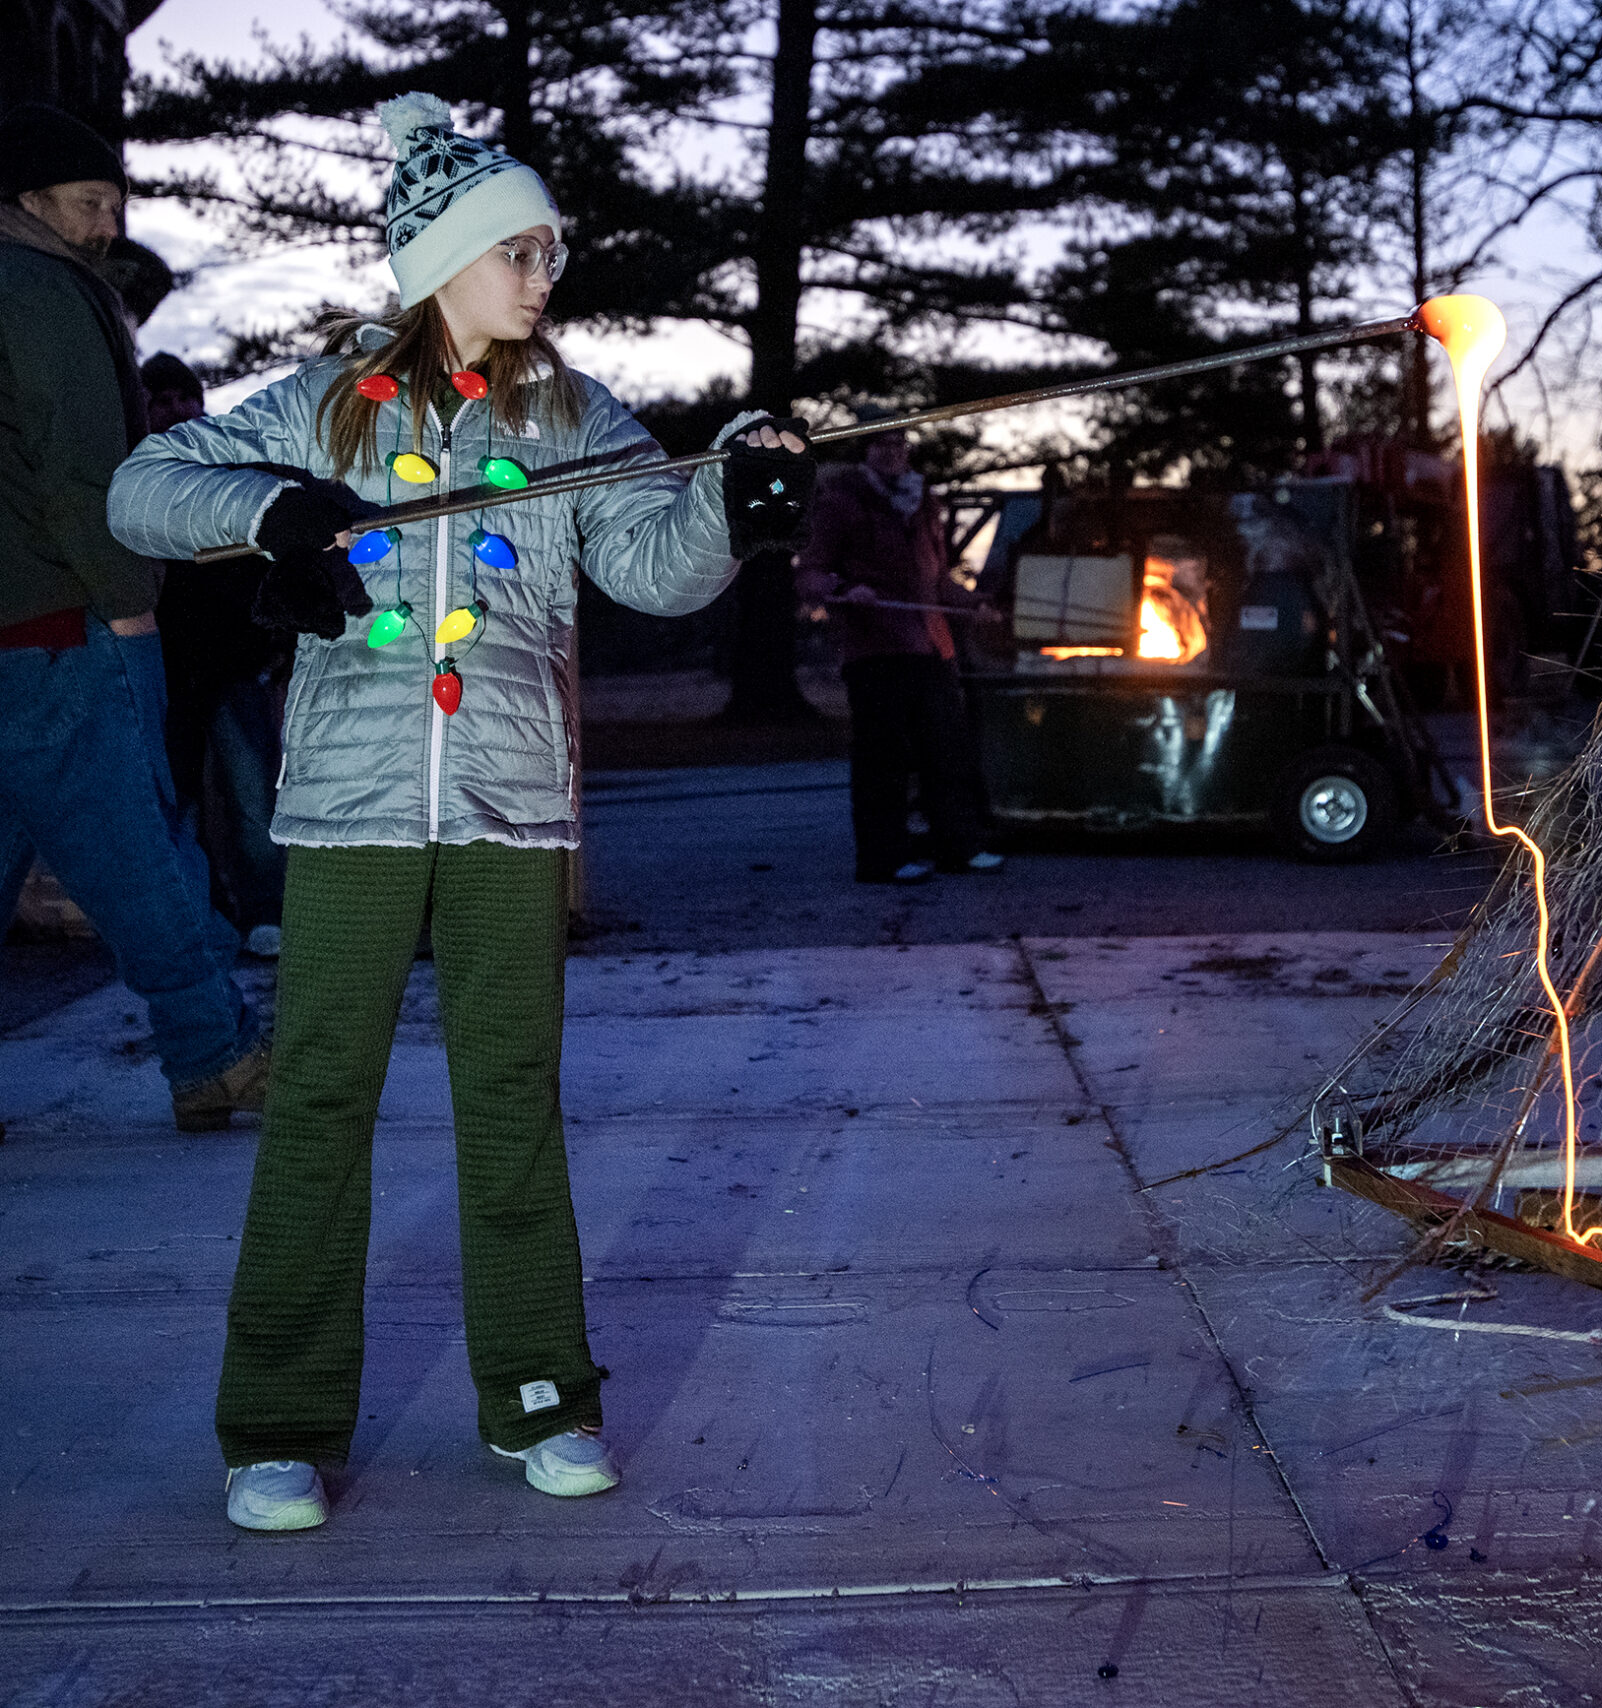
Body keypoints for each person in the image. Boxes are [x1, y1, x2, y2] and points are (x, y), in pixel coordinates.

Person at [107, 92, 812, 1534]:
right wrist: (274, 515)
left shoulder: (571, 416)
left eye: (551, 252)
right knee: (317, 1105)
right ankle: (277, 1426)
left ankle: (544, 1398)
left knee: (510, 1107)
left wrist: (734, 506)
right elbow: (142, 486)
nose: (544, 275)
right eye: (520, 250)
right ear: (438, 257)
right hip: (350, 816)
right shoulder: (317, 404)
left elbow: (653, 565)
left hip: (507, 813)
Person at [0, 100, 269, 1131]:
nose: (108, 222)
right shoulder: (38, 287)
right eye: (87, 202)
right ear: (28, 203)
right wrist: (125, 603)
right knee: (137, 845)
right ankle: (215, 1050)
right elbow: (83, 470)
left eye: (115, 201)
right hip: (58, 621)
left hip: (11, 623)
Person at [795, 425, 1001, 884]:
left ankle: (959, 849)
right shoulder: (839, 502)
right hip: (876, 652)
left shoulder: (923, 502)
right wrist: (848, 590)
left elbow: (939, 580)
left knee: (946, 753)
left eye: (899, 445)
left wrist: (973, 604)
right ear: (865, 452)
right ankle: (883, 860)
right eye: (882, 444)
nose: (893, 453)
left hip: (932, 647)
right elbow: (810, 575)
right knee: (883, 760)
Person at [146, 352, 291, 957]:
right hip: (162, 668)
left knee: (254, 795)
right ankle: (202, 920)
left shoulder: (226, 468)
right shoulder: (136, 478)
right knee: (175, 803)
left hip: (233, 663)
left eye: (188, 397)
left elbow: (262, 562)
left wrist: (272, 643)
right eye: (165, 400)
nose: (180, 409)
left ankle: (267, 913)